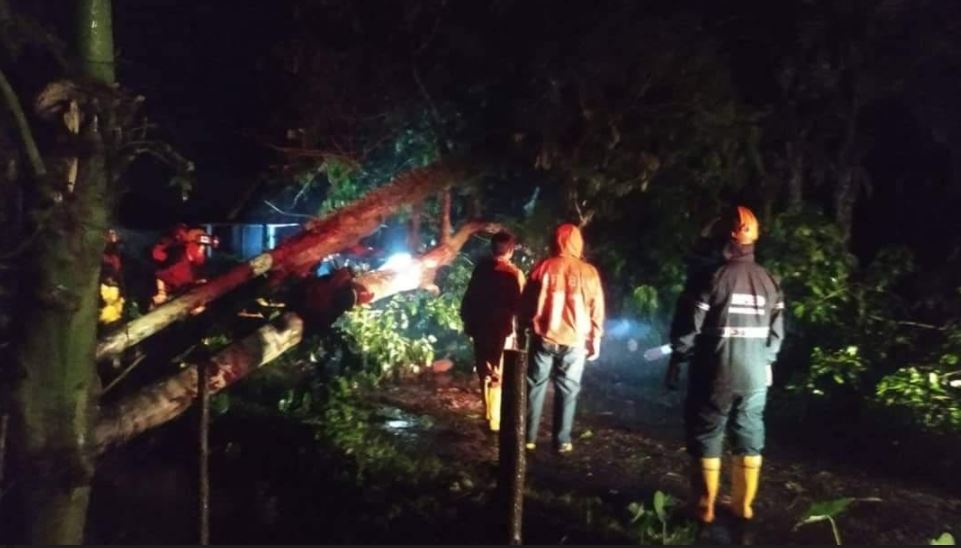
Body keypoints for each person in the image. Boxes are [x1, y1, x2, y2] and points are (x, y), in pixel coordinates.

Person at [666, 205, 785, 530]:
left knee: (708, 432)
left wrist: (679, 358)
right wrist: (767, 361)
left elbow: (690, 329)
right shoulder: (770, 280)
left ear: (727, 237)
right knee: (750, 432)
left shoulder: (712, 277)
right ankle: (743, 508)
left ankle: (704, 508)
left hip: (716, 370)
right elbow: (776, 334)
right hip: (756, 373)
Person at [520, 223, 605, 453]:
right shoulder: (589, 272)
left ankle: (527, 438)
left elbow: (526, 302)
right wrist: (595, 338)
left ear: (555, 241)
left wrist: (524, 327)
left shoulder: (543, 267)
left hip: (544, 335)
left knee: (535, 386)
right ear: (578, 243)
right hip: (575, 340)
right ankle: (562, 441)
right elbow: (597, 309)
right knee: (568, 390)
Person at [460, 231, 526, 432]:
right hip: (504, 329)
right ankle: (495, 420)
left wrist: (468, 322)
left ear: (491, 248)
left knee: (484, 369)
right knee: (499, 370)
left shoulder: (480, 270)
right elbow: (520, 305)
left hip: (481, 327)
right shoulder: (514, 274)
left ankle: (488, 412)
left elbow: (469, 299)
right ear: (511, 251)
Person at [150, 224, 218, 307]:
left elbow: (199, 261)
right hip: (176, 288)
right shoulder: (170, 251)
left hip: (187, 287)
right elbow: (158, 260)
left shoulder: (192, 248)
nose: (201, 249)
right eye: (199, 246)